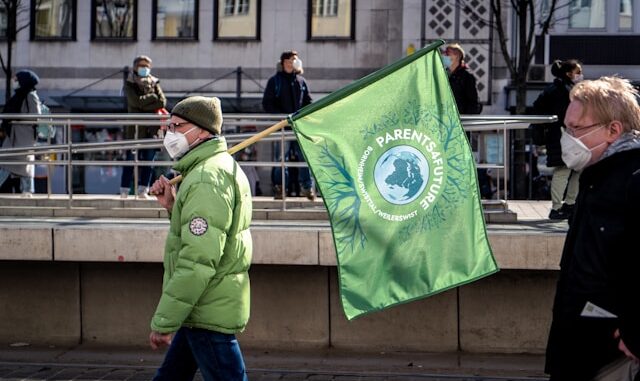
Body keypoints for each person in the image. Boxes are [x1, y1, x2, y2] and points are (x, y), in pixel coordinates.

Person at [148, 96, 252, 381]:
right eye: (168, 127)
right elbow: (204, 237)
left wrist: (165, 321)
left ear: (203, 131)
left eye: (177, 126)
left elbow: (198, 260)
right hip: (204, 306)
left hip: (206, 307)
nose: (170, 134)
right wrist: (173, 207)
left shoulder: (206, 179)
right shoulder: (211, 169)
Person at [545, 76, 640, 381]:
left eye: (577, 129)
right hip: (580, 346)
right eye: (566, 128)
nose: (568, 138)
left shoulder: (633, 180)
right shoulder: (595, 177)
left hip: (610, 353)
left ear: (613, 130)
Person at [532, 59, 583, 220]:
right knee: (566, 170)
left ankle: (565, 205)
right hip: (563, 136)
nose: (580, 75)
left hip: (561, 135)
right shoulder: (563, 91)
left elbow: (537, 107)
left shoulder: (555, 89)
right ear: (569, 74)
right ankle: (560, 206)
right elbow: (566, 114)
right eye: (578, 72)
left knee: (573, 169)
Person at [262, 49, 315, 200]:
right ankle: (279, 188)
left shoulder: (301, 81)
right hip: (282, 127)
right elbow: (267, 103)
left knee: (304, 157)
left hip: (299, 127)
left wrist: (307, 116)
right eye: (289, 61)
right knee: (281, 158)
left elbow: (308, 102)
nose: (291, 64)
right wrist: (280, 118)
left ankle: (306, 187)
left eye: (294, 61)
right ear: (283, 63)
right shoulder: (275, 81)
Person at [121, 55, 166, 199]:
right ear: (135, 67)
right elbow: (135, 102)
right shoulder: (129, 82)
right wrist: (152, 98)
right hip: (135, 128)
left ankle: (143, 190)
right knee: (131, 159)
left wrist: (145, 103)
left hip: (152, 128)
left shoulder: (154, 82)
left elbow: (163, 102)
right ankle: (125, 189)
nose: (144, 69)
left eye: (147, 66)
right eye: (141, 65)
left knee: (148, 160)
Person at [0, 70, 42, 196]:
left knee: (13, 164)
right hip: (17, 137)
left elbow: (36, 116)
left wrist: (18, 119)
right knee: (16, 164)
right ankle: (28, 191)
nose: (15, 83)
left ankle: (28, 191)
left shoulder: (30, 95)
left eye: (16, 80)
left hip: (23, 138)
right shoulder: (21, 95)